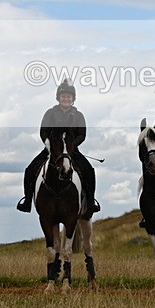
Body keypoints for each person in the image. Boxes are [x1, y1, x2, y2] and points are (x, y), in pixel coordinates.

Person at [16, 79, 100, 216]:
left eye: (68, 96)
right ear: (58, 98)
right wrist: (48, 144)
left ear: (73, 98)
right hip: (51, 150)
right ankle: (27, 201)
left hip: (72, 150)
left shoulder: (79, 116)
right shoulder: (50, 113)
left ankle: (91, 201)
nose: (66, 99)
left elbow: (82, 135)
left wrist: (70, 146)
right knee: (30, 169)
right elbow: (43, 131)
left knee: (89, 170)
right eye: (63, 96)